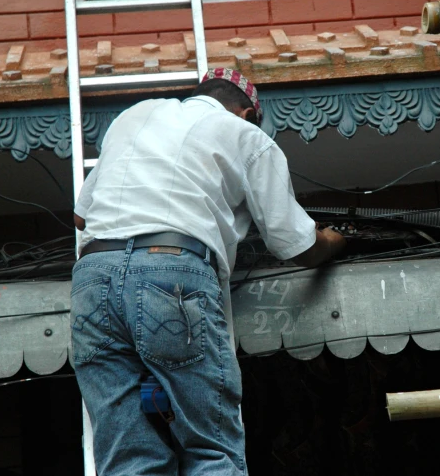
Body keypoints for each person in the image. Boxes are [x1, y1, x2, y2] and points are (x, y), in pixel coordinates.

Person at [70, 67, 346, 476]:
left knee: (129, 460)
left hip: (91, 278)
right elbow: (297, 244)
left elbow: (80, 216)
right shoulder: (248, 136)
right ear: (248, 113)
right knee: (211, 452)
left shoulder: (135, 115)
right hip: (172, 268)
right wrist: (336, 241)